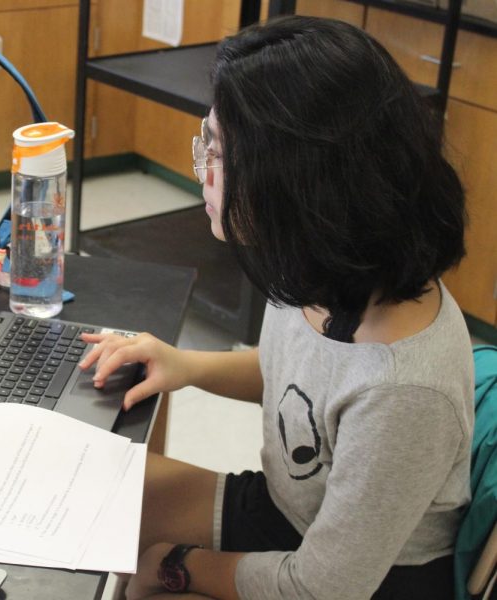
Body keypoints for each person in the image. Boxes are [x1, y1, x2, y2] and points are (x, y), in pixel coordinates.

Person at [79, 16, 473, 600]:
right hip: (292, 509)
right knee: (91, 493)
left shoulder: (405, 390)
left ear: (293, 178)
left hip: (370, 579)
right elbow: (296, 378)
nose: (203, 170)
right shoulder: (326, 266)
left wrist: (177, 565)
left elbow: (323, 586)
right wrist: (184, 365)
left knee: (143, 579)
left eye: (216, 150)